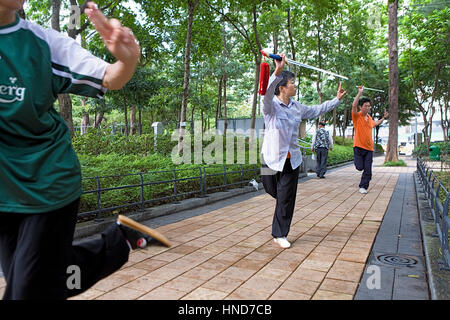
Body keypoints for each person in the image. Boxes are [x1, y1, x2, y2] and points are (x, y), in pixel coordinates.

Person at [0, 1, 165, 300]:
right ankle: (122, 240)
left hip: (46, 187)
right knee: (40, 281)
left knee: (25, 291)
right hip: (4, 195)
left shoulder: (43, 44)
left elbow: (110, 76)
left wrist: (127, 61)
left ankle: (119, 243)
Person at [260, 54, 346, 249]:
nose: (295, 86)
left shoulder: (298, 107)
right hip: (270, 159)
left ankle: (280, 233)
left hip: (292, 160)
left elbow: (317, 110)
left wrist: (336, 100)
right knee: (272, 190)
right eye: (292, 83)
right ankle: (281, 215)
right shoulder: (270, 107)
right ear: (282, 87)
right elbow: (265, 93)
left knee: (285, 197)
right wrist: (277, 71)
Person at [351, 86, 388, 194]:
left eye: (369, 106)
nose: (368, 107)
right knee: (359, 167)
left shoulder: (370, 118)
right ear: (361, 107)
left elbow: (376, 124)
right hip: (358, 147)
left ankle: (363, 186)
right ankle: (359, 168)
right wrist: (360, 93)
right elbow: (353, 105)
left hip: (369, 148)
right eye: (365, 106)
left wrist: (383, 118)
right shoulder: (357, 117)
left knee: (368, 170)